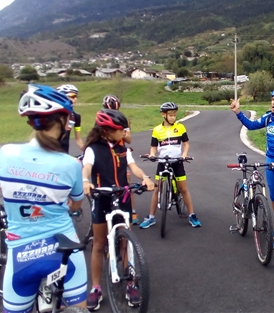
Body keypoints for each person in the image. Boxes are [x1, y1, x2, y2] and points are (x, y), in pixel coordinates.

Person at [0, 84, 88, 313]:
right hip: (63, 250)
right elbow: (76, 203)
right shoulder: (70, 164)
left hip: (21, 252)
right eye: (67, 120)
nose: (69, 125)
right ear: (59, 121)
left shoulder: (5, 153)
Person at [81, 109, 154, 311]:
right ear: (106, 131)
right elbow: (86, 167)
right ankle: (95, 287)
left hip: (121, 197)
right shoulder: (92, 149)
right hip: (101, 197)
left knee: (124, 242)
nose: (124, 134)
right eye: (121, 130)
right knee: (99, 244)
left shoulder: (123, 148)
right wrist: (86, 181)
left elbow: (133, 167)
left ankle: (130, 281)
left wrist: (145, 178)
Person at [229, 88, 274, 250]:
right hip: (270, 159)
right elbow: (251, 126)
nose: (273, 102)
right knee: (273, 197)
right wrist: (238, 112)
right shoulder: (268, 117)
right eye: (273, 99)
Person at [139, 102, 201, 229]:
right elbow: (154, 147)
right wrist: (152, 154)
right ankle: (151, 217)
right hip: (162, 162)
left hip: (177, 162)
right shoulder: (157, 130)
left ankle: (192, 215)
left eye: (174, 115)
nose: (173, 117)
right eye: (170, 115)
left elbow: (186, 144)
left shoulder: (180, 127)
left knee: (183, 189)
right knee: (157, 189)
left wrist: (184, 154)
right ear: (163, 114)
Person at [101, 94, 139, 224]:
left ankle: (132, 211)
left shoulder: (122, 119)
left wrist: (123, 131)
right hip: (106, 152)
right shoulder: (100, 119)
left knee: (126, 184)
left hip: (121, 151)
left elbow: (128, 139)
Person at [56, 84, 83, 153]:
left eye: (76, 96)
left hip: (65, 153)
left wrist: (89, 153)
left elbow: (78, 140)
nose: (75, 98)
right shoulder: (53, 115)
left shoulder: (76, 116)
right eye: (72, 96)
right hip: (51, 152)